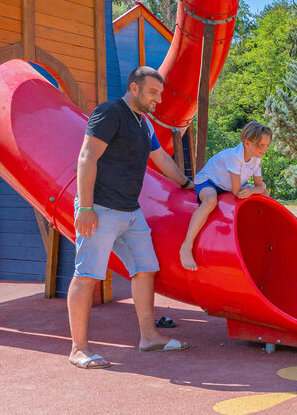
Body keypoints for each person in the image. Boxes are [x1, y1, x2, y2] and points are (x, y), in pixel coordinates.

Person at [68, 66, 194, 368]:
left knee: (146, 268)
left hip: (130, 211)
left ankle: (149, 337)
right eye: (153, 92)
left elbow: (161, 159)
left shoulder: (143, 123)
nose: (158, 99)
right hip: (99, 209)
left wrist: (189, 184)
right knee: (87, 276)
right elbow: (87, 157)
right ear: (134, 89)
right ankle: (78, 349)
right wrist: (85, 207)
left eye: (159, 94)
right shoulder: (110, 113)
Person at [179, 121, 273, 271]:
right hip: (210, 182)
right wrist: (254, 189)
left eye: (267, 145)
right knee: (210, 201)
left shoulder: (257, 158)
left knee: (262, 196)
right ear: (247, 142)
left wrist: (254, 189)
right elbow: (237, 191)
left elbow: (262, 189)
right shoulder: (235, 157)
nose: (264, 149)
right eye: (261, 146)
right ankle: (187, 245)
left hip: (227, 186)